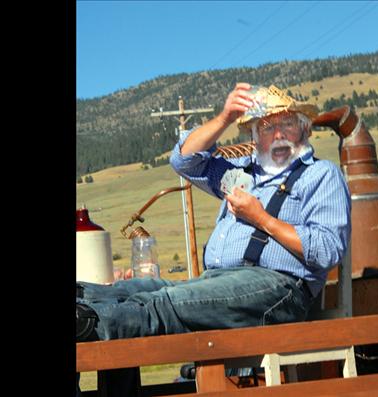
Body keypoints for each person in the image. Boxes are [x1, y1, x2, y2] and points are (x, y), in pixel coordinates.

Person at [76, 82, 352, 395]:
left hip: (278, 290)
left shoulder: (321, 175)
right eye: (266, 126)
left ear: (305, 131)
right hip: (218, 282)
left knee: (159, 305)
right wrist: (224, 118)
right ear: (252, 136)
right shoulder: (242, 173)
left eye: (287, 124)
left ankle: (83, 321)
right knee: (128, 292)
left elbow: (328, 250)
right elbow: (184, 161)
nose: (277, 134)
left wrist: (261, 218)